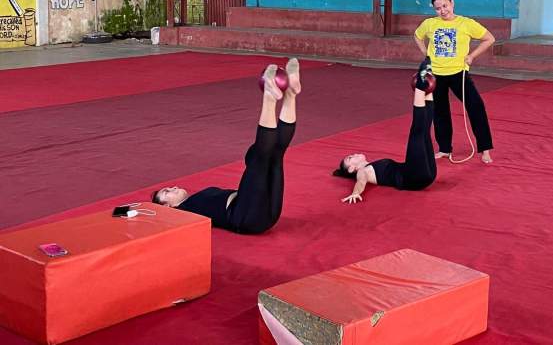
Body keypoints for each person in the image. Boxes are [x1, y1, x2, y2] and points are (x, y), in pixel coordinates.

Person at [151, 59, 301, 234]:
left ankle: (291, 94)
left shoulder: (193, 202)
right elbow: (152, 219)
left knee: (275, 154)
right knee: (259, 157)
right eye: (167, 192)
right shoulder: (183, 212)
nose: (174, 187)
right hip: (246, 217)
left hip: (264, 211)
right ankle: (269, 96)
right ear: (167, 206)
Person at [333, 58, 437, 204]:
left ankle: (426, 84)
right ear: (351, 169)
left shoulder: (372, 167)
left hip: (425, 176)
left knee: (425, 130)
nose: (354, 154)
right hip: (413, 176)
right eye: (350, 158)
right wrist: (355, 193)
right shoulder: (363, 171)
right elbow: (361, 181)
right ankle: (421, 84)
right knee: (418, 131)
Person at [414, 0, 495, 164]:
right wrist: (425, 52)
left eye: (445, 6)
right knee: (440, 111)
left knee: (476, 106)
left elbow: (489, 39)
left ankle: (485, 149)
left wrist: (472, 56)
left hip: (459, 73)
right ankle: (444, 148)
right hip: (436, 74)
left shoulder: (466, 23)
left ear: (452, 3)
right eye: (438, 8)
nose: (442, 10)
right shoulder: (429, 24)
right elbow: (417, 36)